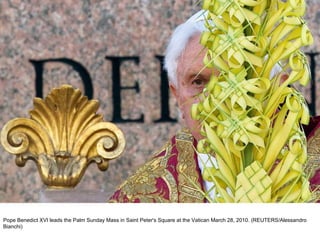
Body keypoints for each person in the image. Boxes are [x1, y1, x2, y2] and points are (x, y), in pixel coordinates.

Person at [109, 10, 320, 203]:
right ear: (178, 95)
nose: (217, 99)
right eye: (198, 82)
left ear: (278, 89)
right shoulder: (138, 201)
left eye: (235, 78)